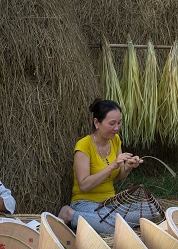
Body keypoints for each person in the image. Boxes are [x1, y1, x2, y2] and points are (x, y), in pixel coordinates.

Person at [58, 99, 143, 234]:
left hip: (110, 204)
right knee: (113, 226)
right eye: (112, 123)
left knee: (148, 211)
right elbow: (84, 185)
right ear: (97, 123)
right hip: (85, 203)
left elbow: (120, 175)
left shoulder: (115, 140)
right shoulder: (84, 145)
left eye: (119, 123)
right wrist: (113, 165)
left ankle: (104, 220)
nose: (116, 128)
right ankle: (70, 214)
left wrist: (128, 166)